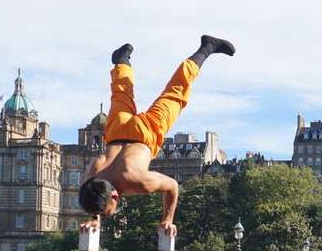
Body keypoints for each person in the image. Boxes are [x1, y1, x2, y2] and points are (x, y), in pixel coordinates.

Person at [77, 35, 235, 236]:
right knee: (121, 92)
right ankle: (121, 60)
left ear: (115, 196)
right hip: (118, 131)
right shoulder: (93, 174)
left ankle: (207, 47)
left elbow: (172, 186)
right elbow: (92, 194)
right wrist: (94, 218)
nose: (107, 216)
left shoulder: (136, 180)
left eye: (107, 214)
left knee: (176, 92)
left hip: (146, 133)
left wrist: (167, 219)